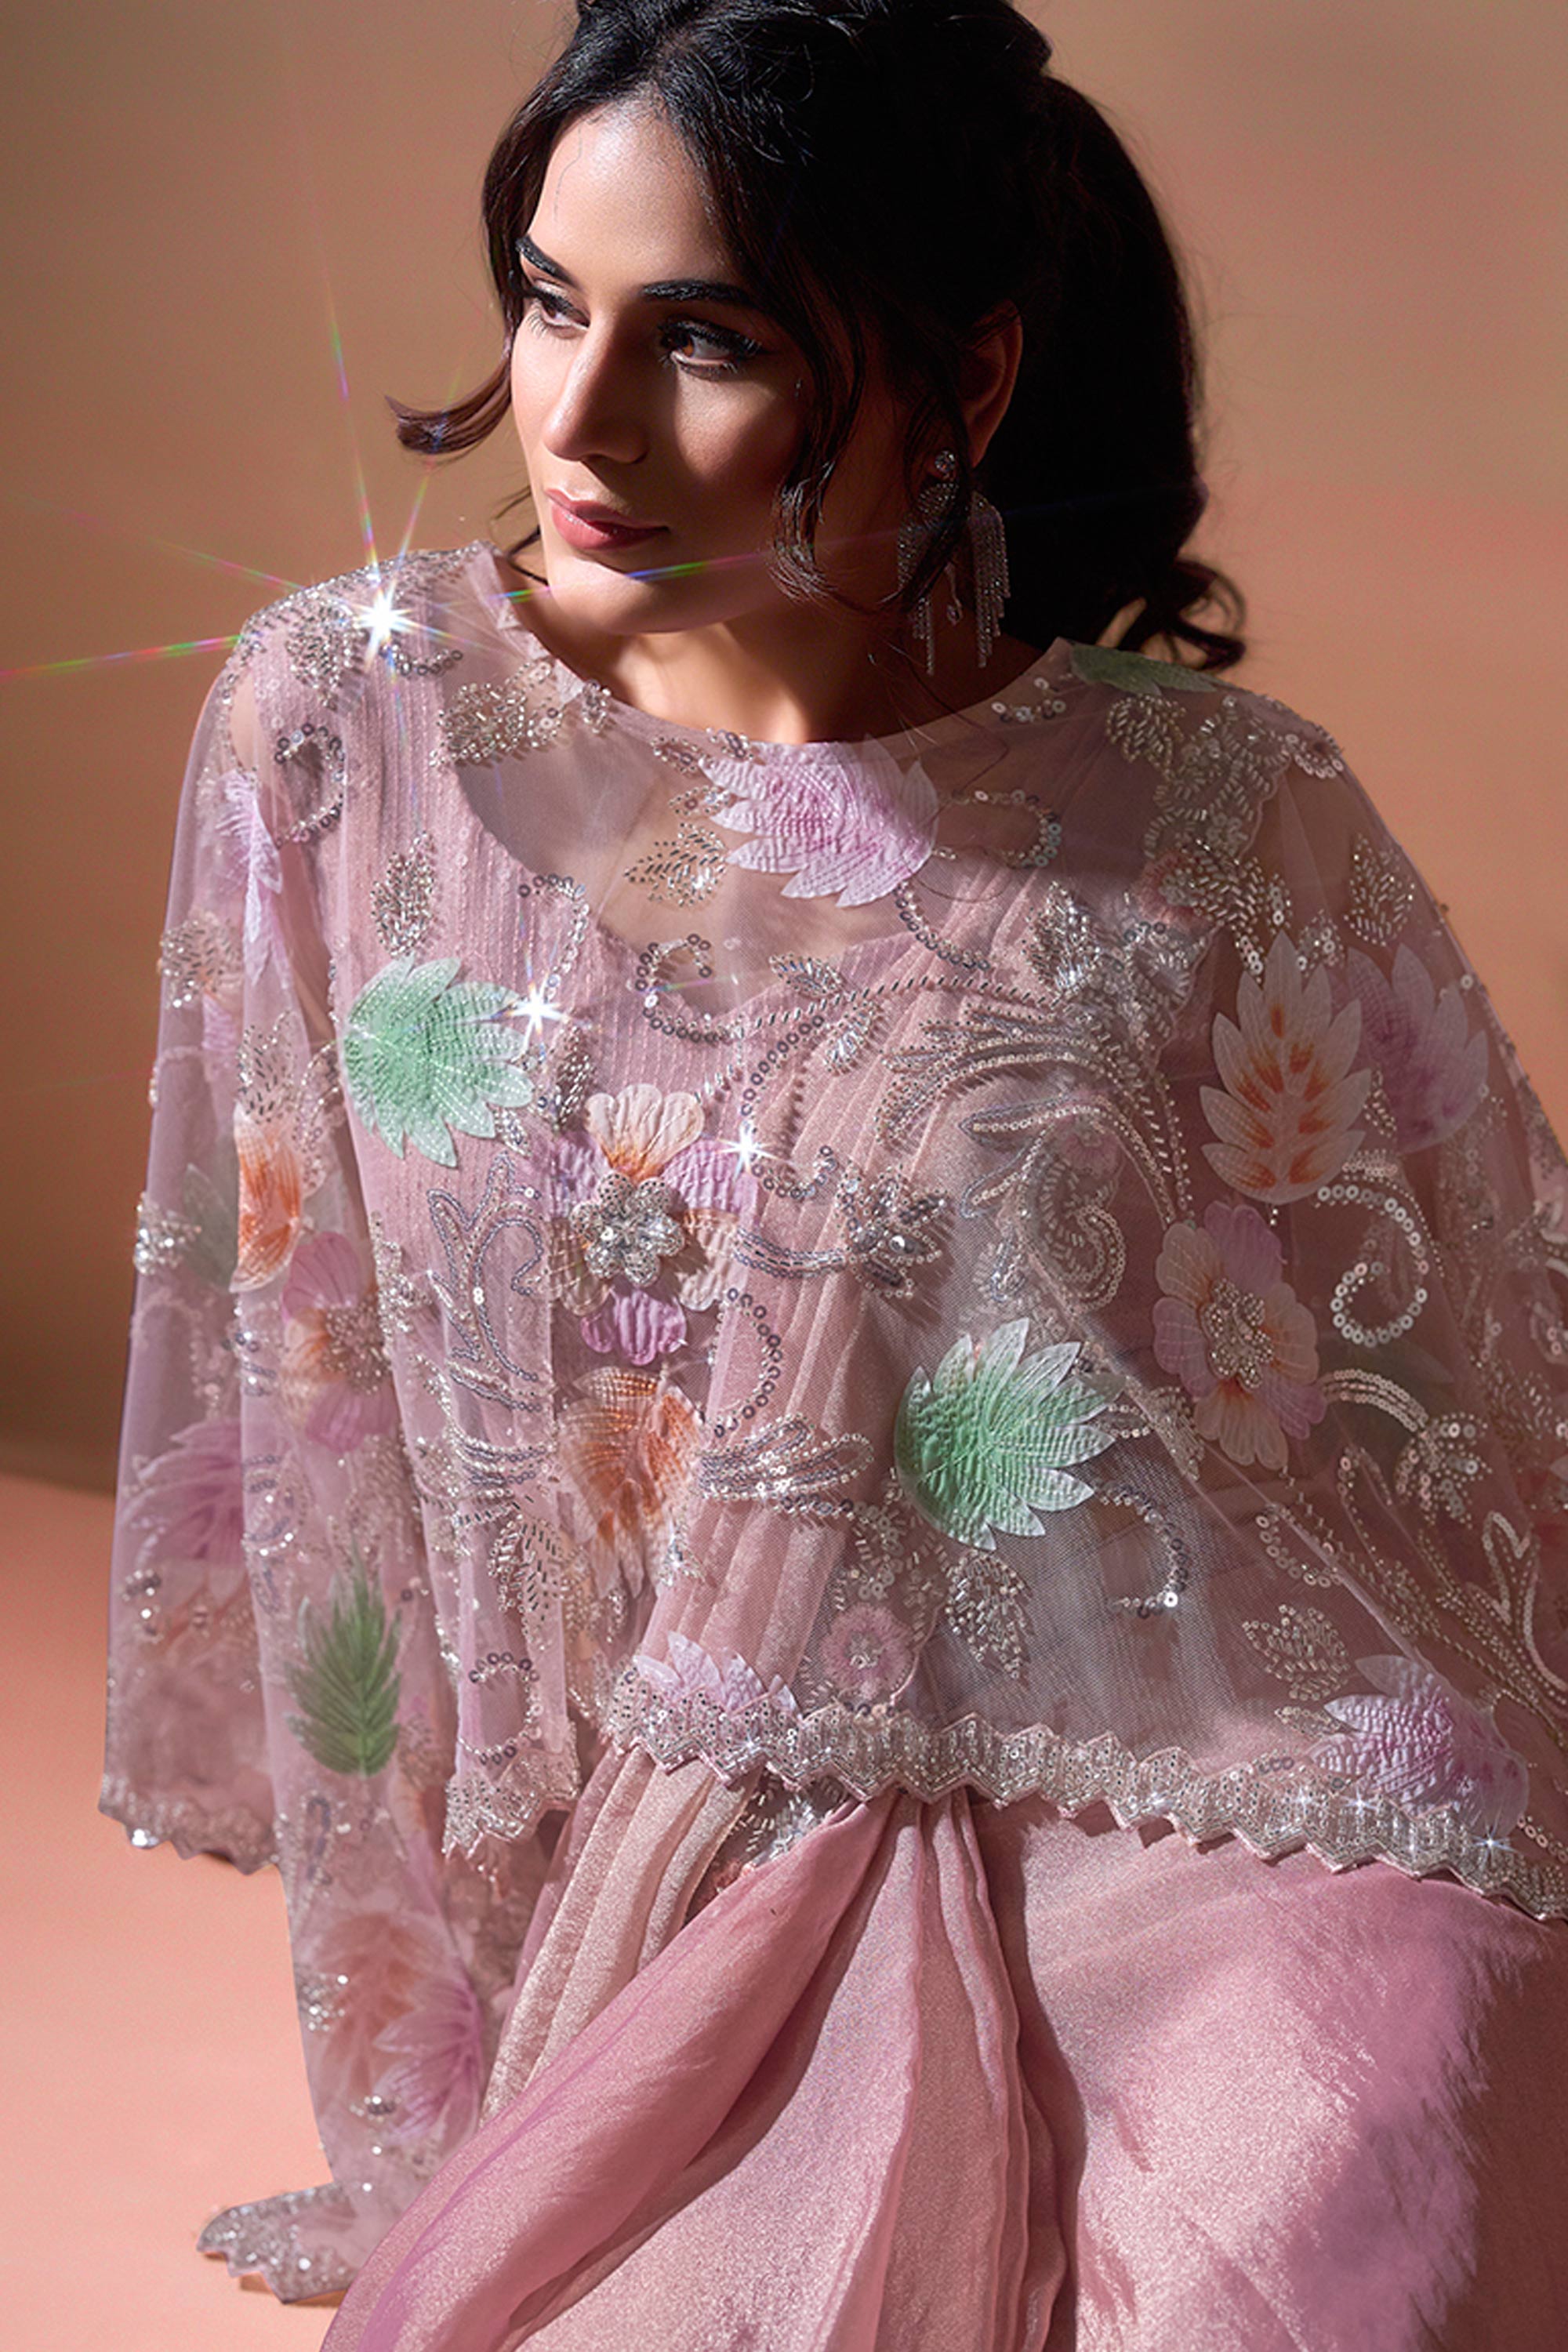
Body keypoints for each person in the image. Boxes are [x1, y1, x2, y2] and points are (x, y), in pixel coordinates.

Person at [103, 1, 1568, 2343]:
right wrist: (449, 2061)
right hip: (692, 1902)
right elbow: (316, 1383)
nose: (581, 420)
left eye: (707, 342)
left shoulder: (1214, 818)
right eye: (550, 301)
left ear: (964, 374)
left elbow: (1458, 1429)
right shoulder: (347, 728)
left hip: (1195, 1826)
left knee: (1358, 2213)